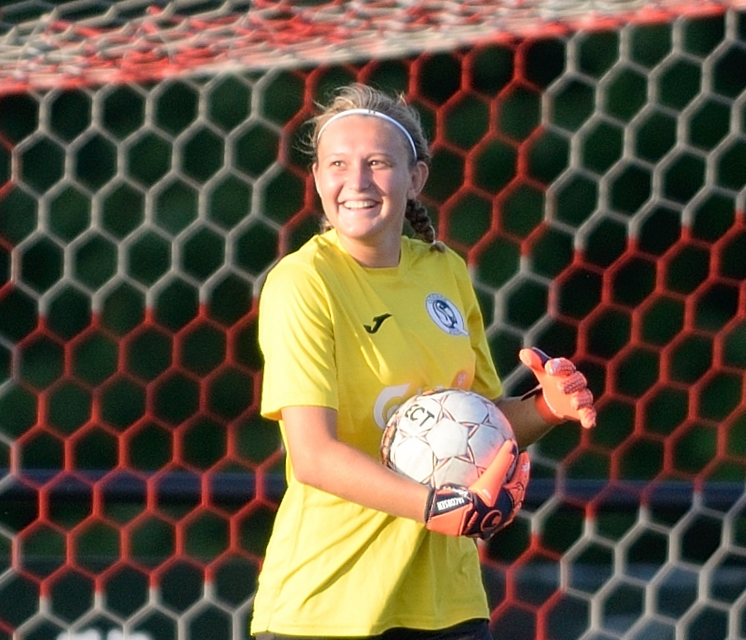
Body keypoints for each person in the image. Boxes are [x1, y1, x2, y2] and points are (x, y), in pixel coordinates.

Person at [251, 83, 596, 640]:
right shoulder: (303, 282)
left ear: (415, 178)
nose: (356, 181)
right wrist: (438, 507)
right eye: (337, 164)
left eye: (378, 163)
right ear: (316, 178)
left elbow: (482, 425)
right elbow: (314, 456)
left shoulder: (445, 271)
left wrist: (546, 409)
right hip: (330, 605)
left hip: (450, 605)